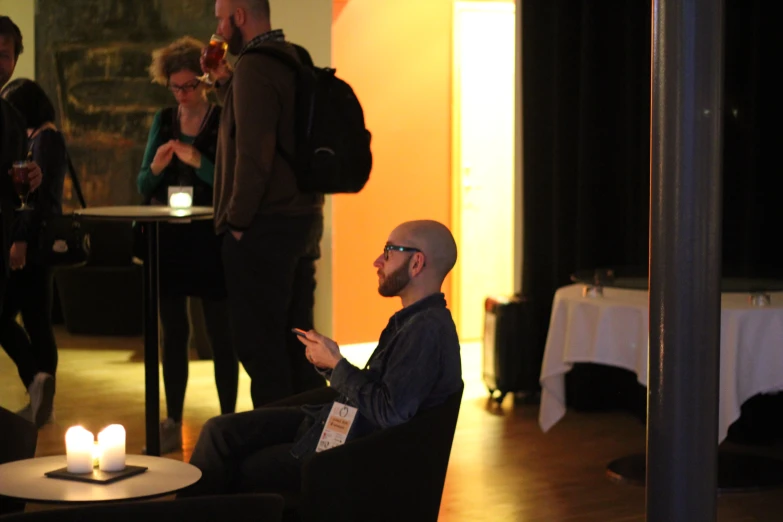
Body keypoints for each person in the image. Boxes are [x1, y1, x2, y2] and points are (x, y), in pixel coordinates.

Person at [184, 220, 463, 496]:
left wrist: (338, 365)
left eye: (389, 252)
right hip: (332, 424)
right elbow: (386, 390)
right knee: (219, 431)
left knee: (233, 465)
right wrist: (330, 365)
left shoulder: (426, 329)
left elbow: (391, 411)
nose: (378, 261)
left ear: (416, 263)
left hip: (347, 455)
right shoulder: (413, 321)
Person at [203, 0, 327, 408]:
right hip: (301, 221)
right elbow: (261, 127)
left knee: (261, 349)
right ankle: (310, 448)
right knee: (298, 344)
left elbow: (254, 155)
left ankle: (274, 452)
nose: (218, 28)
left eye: (222, 18)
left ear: (239, 15)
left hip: (264, 227)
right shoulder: (293, 58)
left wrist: (236, 222)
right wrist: (225, 84)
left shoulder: (255, 67)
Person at [136, 36, 238, 453]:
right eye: (176, 87)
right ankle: (172, 420)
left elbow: (231, 184)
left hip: (211, 241)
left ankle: (230, 419)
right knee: (172, 332)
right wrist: (158, 166)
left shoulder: (223, 117)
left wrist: (200, 162)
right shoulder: (163, 120)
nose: (183, 94)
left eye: (190, 85)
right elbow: (143, 183)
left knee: (220, 334)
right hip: (171, 241)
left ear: (204, 82)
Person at [0, 79, 66, 428]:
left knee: (23, 318)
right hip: (37, 243)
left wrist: (20, 239)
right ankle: (42, 396)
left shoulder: (44, 139)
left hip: (34, 244)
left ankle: (37, 384)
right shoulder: (42, 138)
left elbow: (34, 197)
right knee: (38, 319)